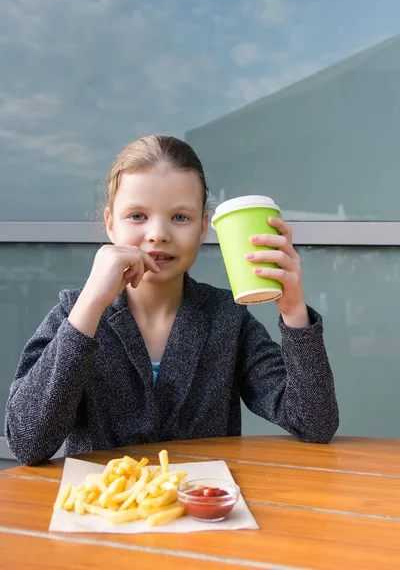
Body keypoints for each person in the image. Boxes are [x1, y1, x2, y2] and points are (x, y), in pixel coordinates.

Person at [5, 135, 339, 465]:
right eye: (137, 216)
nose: (158, 233)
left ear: (204, 228)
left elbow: (313, 422)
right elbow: (28, 442)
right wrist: (91, 304)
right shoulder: (75, 313)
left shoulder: (228, 319)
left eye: (180, 217)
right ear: (110, 224)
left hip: (205, 513)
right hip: (101, 513)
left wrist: (294, 311)